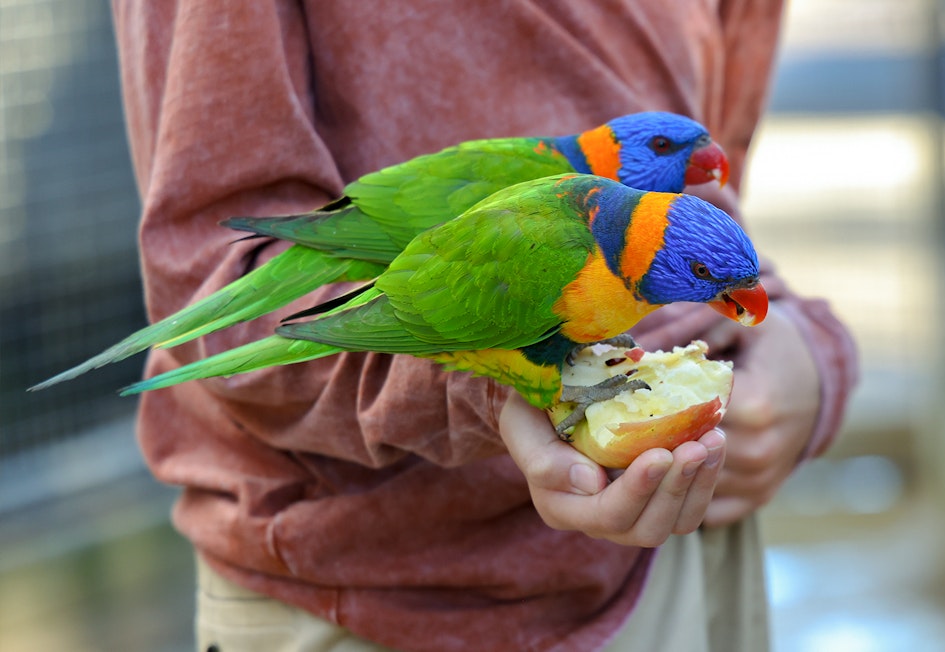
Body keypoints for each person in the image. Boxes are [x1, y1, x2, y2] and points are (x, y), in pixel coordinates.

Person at [110, 2, 858, 651]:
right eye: (665, 153)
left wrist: (804, 352)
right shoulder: (545, 234)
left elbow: (709, 227)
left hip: (697, 546)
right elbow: (215, 271)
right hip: (379, 595)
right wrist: (513, 395)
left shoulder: (636, 220)